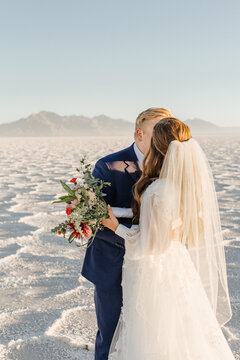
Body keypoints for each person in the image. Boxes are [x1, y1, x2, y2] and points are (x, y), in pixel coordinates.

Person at [103, 117, 235, 359]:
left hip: (153, 275)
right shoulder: (185, 186)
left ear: (158, 148)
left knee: (153, 337)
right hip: (177, 266)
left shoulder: (157, 192)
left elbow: (148, 246)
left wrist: (115, 227)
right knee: (181, 333)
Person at [81, 107, 174, 360]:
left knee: (149, 335)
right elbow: (95, 218)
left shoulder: (172, 165)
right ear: (139, 134)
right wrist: (133, 234)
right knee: (110, 335)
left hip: (152, 266)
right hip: (112, 264)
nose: (163, 140)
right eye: (158, 132)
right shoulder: (108, 165)